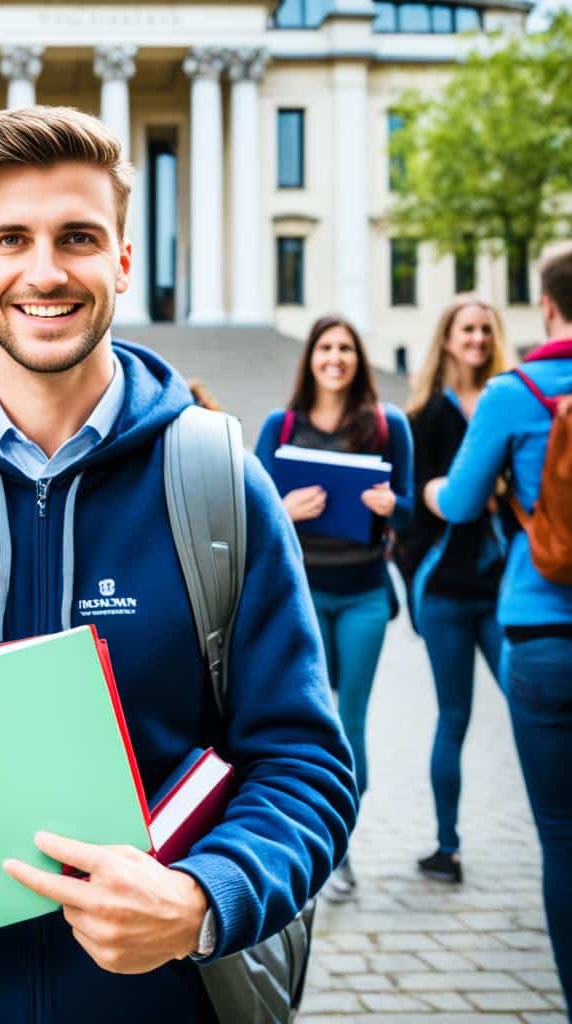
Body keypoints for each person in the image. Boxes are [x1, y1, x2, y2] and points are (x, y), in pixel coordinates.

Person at [0, 106, 357, 1022]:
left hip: (168, 1006)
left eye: (78, 237)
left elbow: (306, 767)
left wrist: (205, 898)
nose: (44, 272)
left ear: (125, 258)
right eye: (11, 238)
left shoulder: (218, 485)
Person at [424, 244, 572, 1007]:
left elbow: (455, 504)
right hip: (485, 607)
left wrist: (446, 485)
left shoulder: (517, 396)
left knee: (561, 834)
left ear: (544, 306)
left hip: (545, 628)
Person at [255, 315, 413, 899]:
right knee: (310, 719)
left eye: (346, 348)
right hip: (303, 594)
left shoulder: (386, 424)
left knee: (351, 723)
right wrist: (284, 508)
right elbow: (253, 508)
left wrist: (389, 504)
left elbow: (412, 510)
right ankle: (312, 844)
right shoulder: (281, 425)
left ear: (358, 359)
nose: (336, 357)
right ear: (311, 358)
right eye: (326, 347)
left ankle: (340, 846)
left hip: (366, 593)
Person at [395, 295, 511, 884]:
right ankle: (447, 845)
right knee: (454, 716)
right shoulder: (425, 419)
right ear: (447, 337)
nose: (478, 339)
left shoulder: (505, 403)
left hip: (501, 588)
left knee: (531, 703)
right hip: (444, 591)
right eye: (468, 329)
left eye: (486, 329)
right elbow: (410, 512)